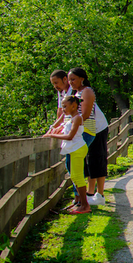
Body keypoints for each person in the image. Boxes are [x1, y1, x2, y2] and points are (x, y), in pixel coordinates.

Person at [43, 95, 90, 214]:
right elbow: (65, 130)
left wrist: (52, 136)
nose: (62, 109)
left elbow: (70, 136)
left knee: (77, 176)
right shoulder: (70, 119)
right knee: (74, 176)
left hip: (77, 148)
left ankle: (85, 205)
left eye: (64, 106)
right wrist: (55, 130)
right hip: (74, 149)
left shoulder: (77, 118)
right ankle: (82, 204)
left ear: (74, 106)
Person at [68, 68, 108, 206]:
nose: (71, 82)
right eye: (69, 80)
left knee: (97, 159)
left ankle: (100, 194)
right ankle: (90, 194)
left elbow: (85, 114)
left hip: (97, 128)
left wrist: (71, 128)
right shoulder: (77, 93)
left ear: (82, 79)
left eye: (73, 79)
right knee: (88, 161)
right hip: (86, 130)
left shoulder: (86, 91)